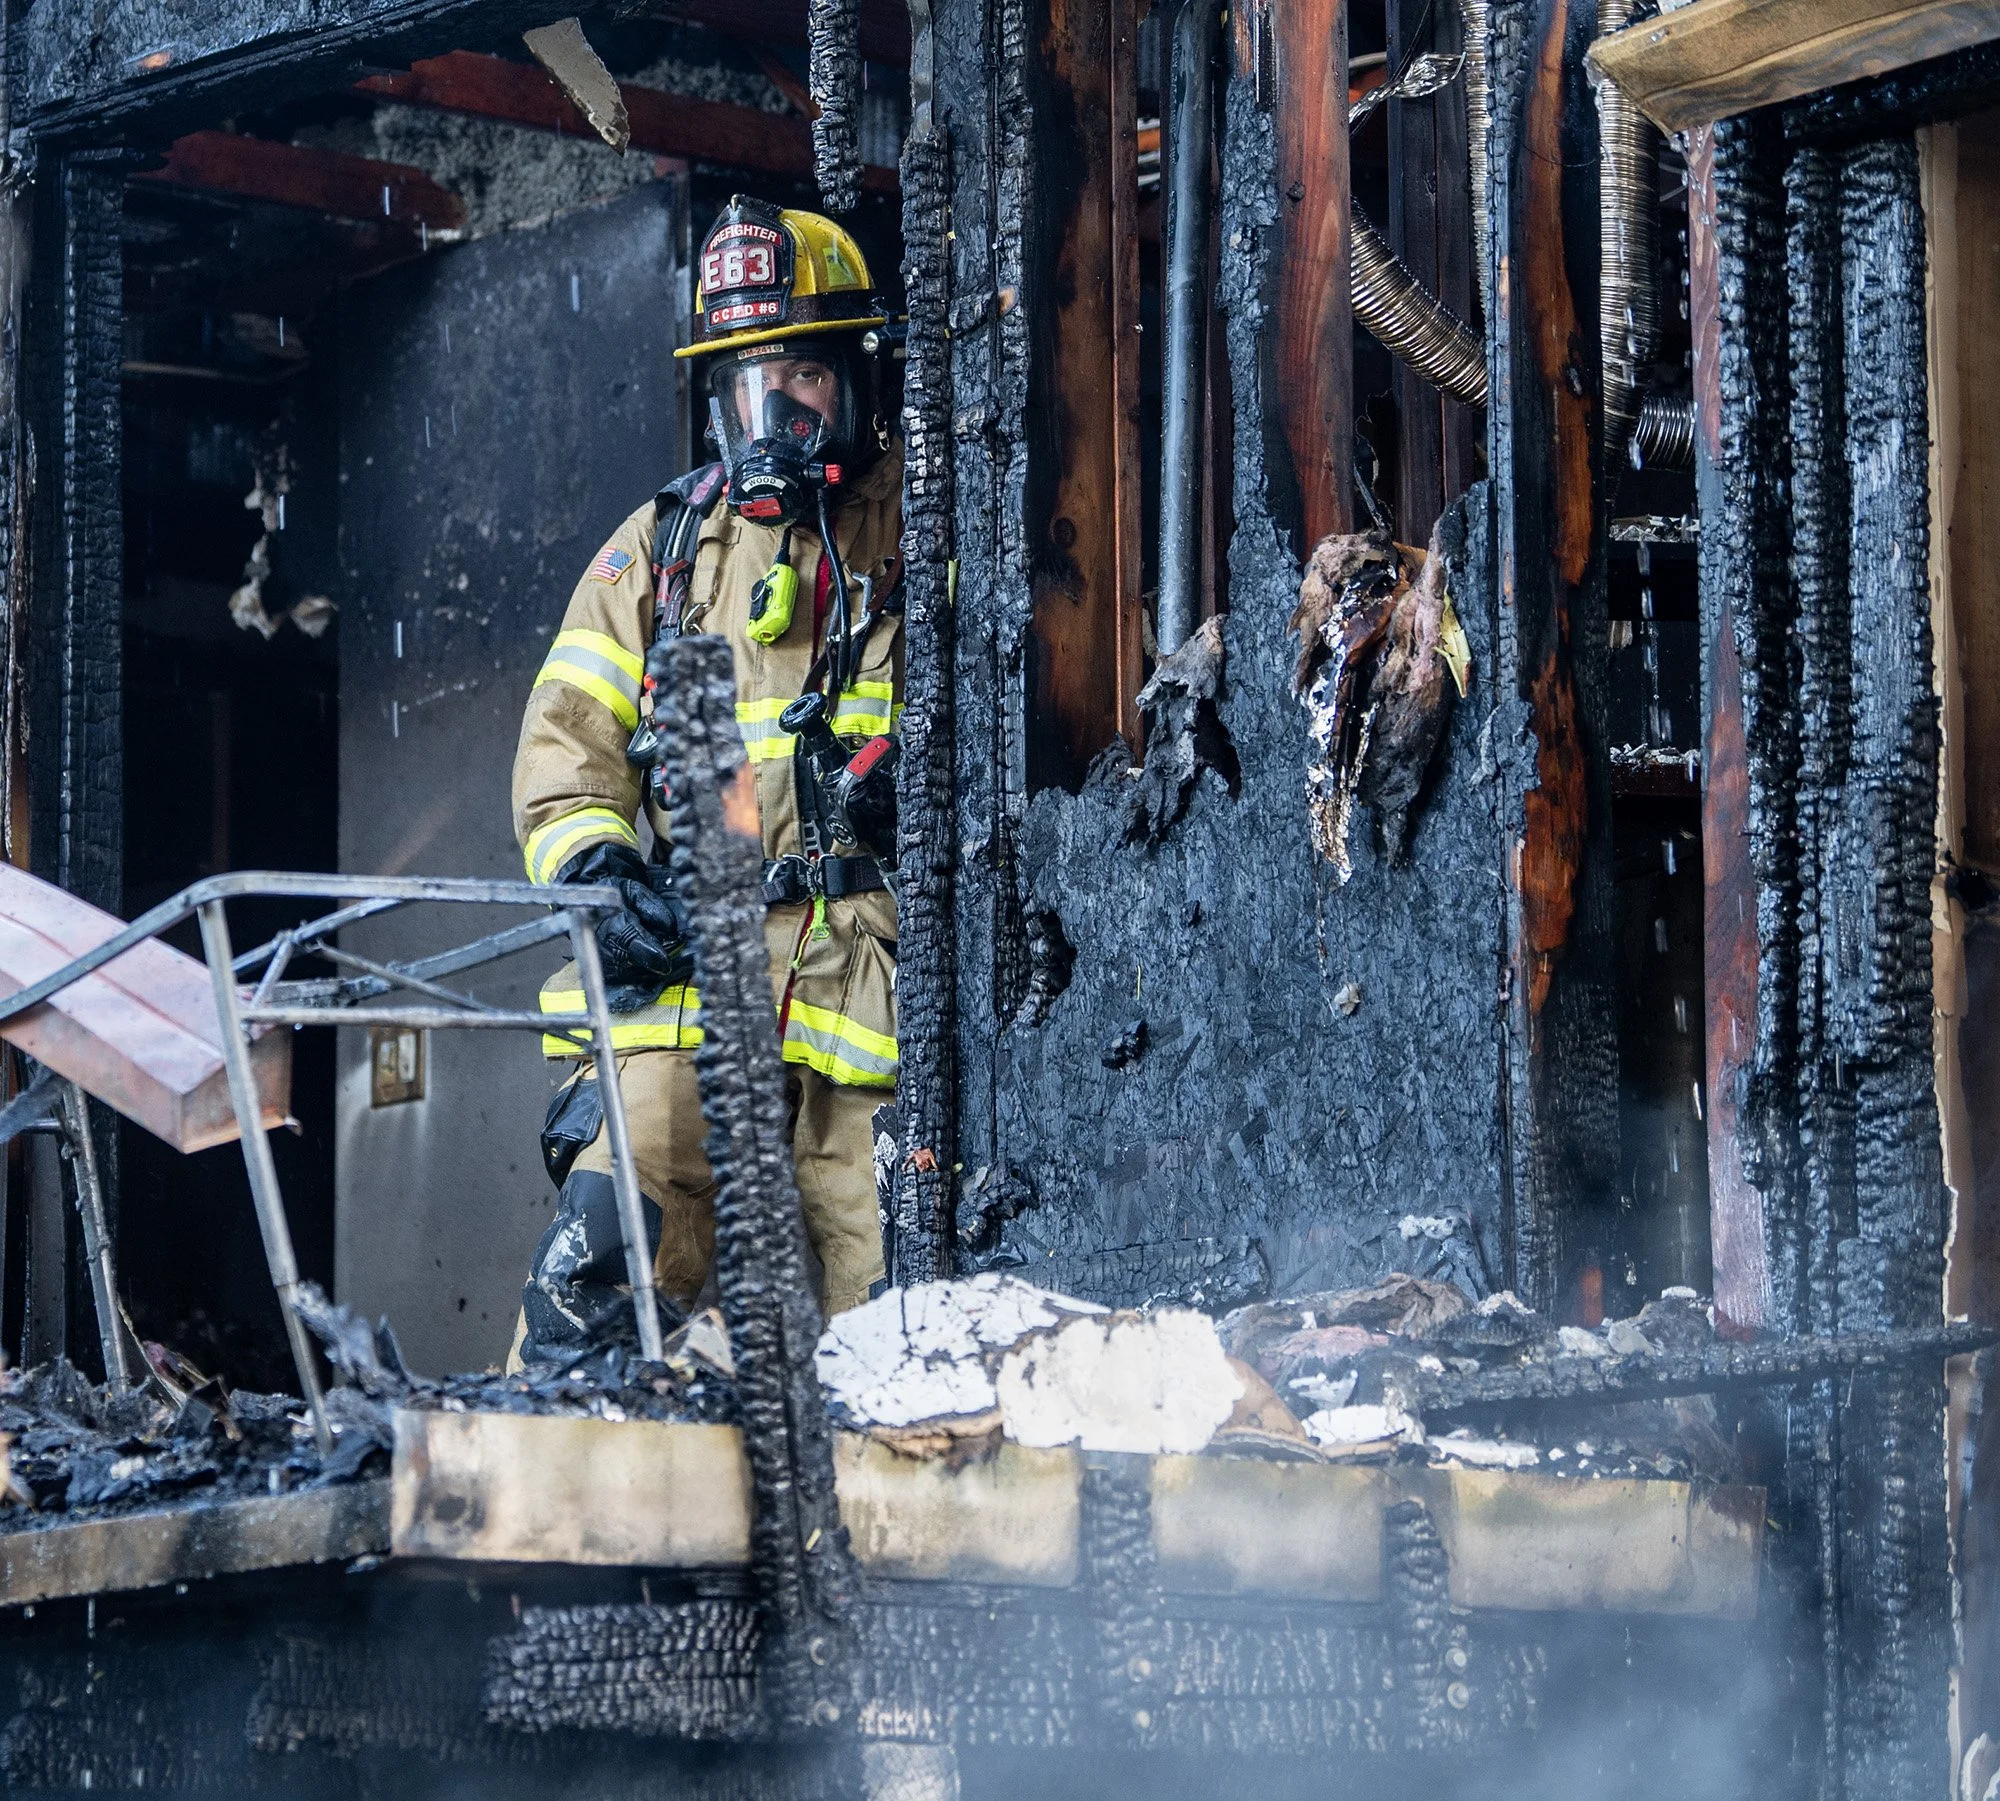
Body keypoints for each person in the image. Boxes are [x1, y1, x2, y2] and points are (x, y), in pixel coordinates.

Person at [508, 196, 904, 1366]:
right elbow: (562, 747)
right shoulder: (662, 552)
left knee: (885, 1353)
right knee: (595, 1304)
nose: (770, 415)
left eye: (801, 381)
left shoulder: (931, 532)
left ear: (854, 380)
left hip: (864, 1023)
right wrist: (592, 862)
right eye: (743, 386)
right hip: (684, 1000)